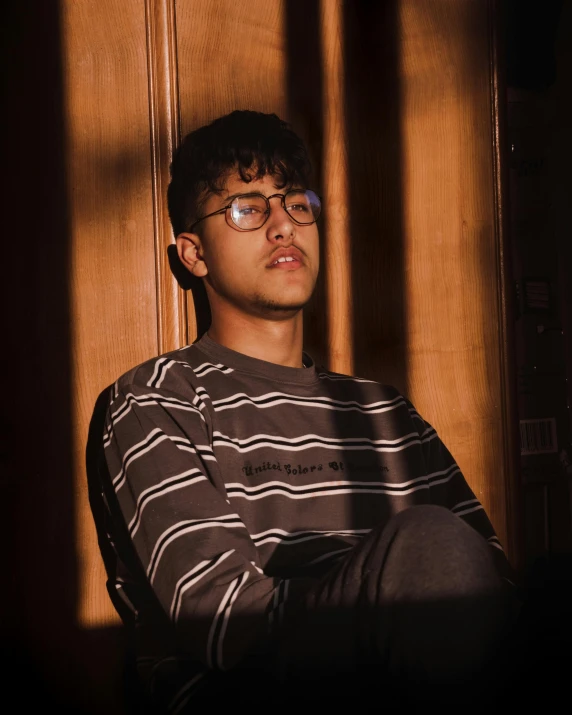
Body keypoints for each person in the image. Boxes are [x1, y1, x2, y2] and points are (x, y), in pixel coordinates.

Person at [96, 110, 518, 714]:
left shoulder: (383, 412)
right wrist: (390, 582)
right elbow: (221, 619)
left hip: (429, 678)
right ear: (194, 254)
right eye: (246, 208)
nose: (282, 227)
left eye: (296, 204)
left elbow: (490, 584)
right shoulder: (157, 399)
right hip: (258, 698)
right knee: (430, 548)